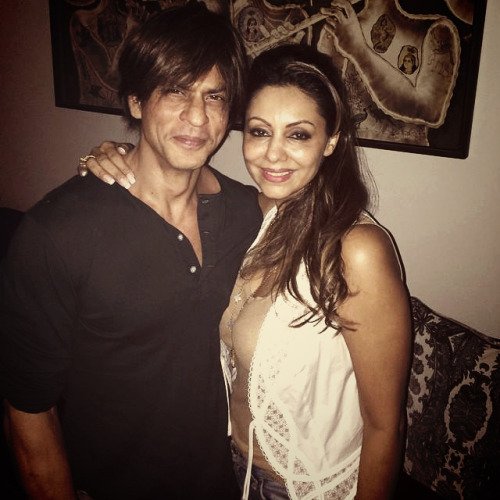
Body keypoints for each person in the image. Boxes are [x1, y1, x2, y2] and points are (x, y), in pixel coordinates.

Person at [81, 43, 411, 499]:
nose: (273, 155)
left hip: (305, 489)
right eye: (259, 131)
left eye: (298, 135)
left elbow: (385, 426)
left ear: (331, 140)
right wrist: (117, 153)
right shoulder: (252, 214)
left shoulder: (357, 251)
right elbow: (172, 177)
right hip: (230, 471)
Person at [0, 3, 262, 499]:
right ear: (137, 101)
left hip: (221, 482)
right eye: (176, 90)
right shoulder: (56, 232)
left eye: (214, 96)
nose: (197, 116)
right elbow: (28, 410)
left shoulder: (247, 213)